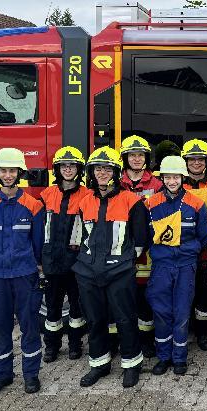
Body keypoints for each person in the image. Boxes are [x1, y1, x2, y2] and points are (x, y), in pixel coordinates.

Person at [72, 146, 149, 388]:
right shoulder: (84, 202)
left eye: (107, 168)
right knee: (95, 320)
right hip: (88, 272)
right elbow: (76, 238)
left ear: (116, 171)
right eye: (98, 169)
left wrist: (123, 263)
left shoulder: (132, 201)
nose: (102, 173)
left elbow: (141, 240)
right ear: (91, 173)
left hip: (119, 272)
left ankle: (131, 364)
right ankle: (99, 364)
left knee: (125, 319)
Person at [0, 148, 44, 396]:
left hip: (25, 274)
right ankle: (2, 375)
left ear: (20, 173)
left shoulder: (33, 206)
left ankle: (31, 375)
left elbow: (38, 243)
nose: (8, 175)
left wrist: (33, 265)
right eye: (4, 170)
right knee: (0, 326)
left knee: (29, 325)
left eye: (12, 170)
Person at [145, 156, 207, 376]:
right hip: (161, 266)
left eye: (175, 177)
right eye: (168, 177)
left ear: (182, 177)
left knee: (182, 311)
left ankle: (179, 358)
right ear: (162, 178)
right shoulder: (151, 204)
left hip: (185, 265)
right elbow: (145, 235)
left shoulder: (196, 203)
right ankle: (163, 356)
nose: (172, 181)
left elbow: (205, 236)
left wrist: (187, 253)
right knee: (161, 311)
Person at [40, 146, 90, 362]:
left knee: (77, 309)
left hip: (76, 262)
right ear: (57, 169)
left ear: (79, 169)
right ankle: (51, 347)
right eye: (64, 166)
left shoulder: (87, 195)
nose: (68, 169)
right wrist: (39, 260)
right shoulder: (46, 195)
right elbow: (38, 231)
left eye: (72, 166)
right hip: (51, 261)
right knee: (52, 308)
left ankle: (75, 345)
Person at [119, 135, 163, 358]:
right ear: (125, 158)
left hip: (147, 250)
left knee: (146, 296)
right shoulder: (116, 183)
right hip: (120, 247)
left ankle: (146, 341)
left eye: (140, 155)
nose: (136, 159)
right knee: (122, 295)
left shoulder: (156, 184)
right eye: (132, 155)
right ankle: (124, 340)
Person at [181, 139, 207, 351]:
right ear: (185, 161)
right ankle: (185, 329)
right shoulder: (177, 182)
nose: (196, 163)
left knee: (206, 292)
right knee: (184, 291)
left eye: (200, 159)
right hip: (184, 247)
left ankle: (204, 334)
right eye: (192, 159)